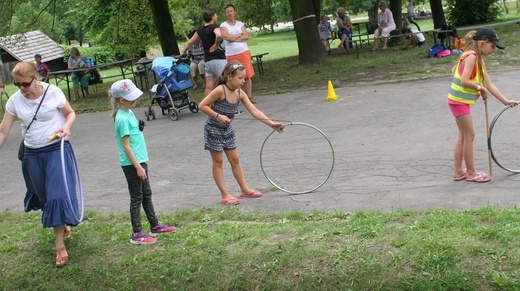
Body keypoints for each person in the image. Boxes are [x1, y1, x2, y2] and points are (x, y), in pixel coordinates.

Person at [0, 62, 78, 267]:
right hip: (32, 153)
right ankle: (62, 224)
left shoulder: (53, 93)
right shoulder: (15, 101)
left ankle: (59, 245)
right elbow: (3, 131)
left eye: (25, 84)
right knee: (43, 196)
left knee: (56, 195)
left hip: (55, 150)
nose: (21, 89)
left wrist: (66, 127)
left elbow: (70, 113)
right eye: (17, 85)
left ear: (37, 78)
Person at [199, 61, 284, 205]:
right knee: (218, 162)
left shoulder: (240, 93)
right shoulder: (220, 90)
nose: (243, 81)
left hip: (227, 130)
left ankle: (244, 189)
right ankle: (225, 195)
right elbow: (202, 105)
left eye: (244, 78)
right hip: (213, 129)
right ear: (229, 77)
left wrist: (271, 123)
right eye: (240, 78)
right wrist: (218, 116)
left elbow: (254, 111)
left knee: (235, 160)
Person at [110, 79, 176, 244]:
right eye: (132, 97)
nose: (136, 99)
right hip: (132, 164)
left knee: (146, 194)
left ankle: (154, 225)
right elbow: (126, 147)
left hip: (140, 161)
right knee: (137, 197)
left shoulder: (128, 113)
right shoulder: (122, 118)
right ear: (122, 100)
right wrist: (138, 167)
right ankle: (137, 233)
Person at [448, 27, 517, 183]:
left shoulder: (480, 62)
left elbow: (490, 84)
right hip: (459, 102)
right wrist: (480, 88)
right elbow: (466, 81)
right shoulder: (471, 57)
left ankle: (458, 171)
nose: (493, 50)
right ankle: (471, 173)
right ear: (482, 43)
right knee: (469, 136)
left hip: (458, 101)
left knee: (463, 136)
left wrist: (505, 101)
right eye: (492, 46)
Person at [182, 8, 226, 98]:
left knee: (209, 86)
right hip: (218, 59)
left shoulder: (200, 29)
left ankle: (208, 106)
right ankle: (230, 108)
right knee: (225, 83)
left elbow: (190, 42)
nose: (217, 16)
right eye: (216, 14)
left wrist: (184, 51)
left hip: (208, 61)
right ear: (212, 16)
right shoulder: (214, 27)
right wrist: (216, 44)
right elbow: (219, 35)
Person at [220, 3, 258, 104]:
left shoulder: (240, 24)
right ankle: (235, 97)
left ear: (234, 12)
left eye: (231, 11)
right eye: (227, 12)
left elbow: (246, 36)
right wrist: (239, 35)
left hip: (243, 52)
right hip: (232, 54)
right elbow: (227, 37)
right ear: (225, 13)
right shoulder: (223, 25)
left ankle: (249, 97)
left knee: (247, 75)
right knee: (233, 76)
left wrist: (234, 37)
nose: (229, 13)